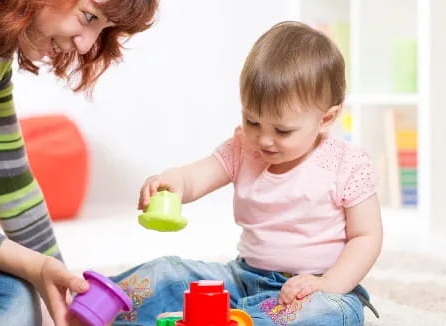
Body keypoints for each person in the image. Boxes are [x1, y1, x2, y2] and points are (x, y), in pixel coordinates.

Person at [111, 21, 383, 325]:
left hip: (316, 289)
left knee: (326, 314)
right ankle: (98, 306)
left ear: (326, 118)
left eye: (282, 130)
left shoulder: (346, 163)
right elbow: (195, 178)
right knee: (166, 273)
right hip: (241, 279)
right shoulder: (243, 149)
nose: (264, 140)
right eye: (253, 122)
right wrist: (172, 182)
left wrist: (330, 284)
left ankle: (221, 320)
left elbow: (366, 236)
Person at [0, 0, 158, 325]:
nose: (87, 43)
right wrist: (30, 264)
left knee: (14, 300)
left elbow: (12, 183)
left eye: (100, 29)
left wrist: (62, 285)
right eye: (88, 17)